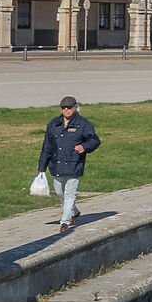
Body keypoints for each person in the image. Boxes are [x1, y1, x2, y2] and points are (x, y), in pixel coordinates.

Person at [37, 95, 101, 233]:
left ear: (75, 108)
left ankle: (65, 221)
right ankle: (74, 212)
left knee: (70, 193)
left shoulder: (84, 124)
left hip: (74, 163)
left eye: (69, 108)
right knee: (60, 192)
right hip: (57, 164)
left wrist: (84, 147)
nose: (66, 110)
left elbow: (95, 141)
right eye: (63, 108)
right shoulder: (53, 124)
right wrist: (42, 168)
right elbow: (47, 147)